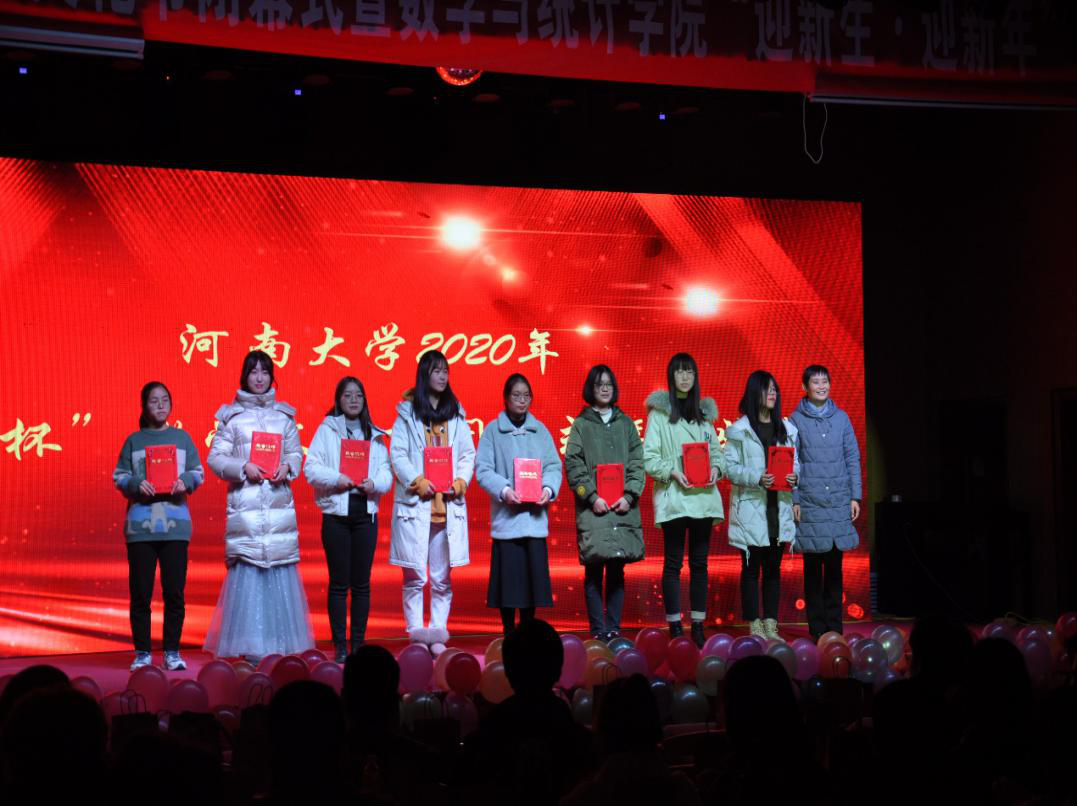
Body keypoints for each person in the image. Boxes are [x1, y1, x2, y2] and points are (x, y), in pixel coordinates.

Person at [203, 350, 314, 662]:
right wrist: (243, 467)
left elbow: (295, 453)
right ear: (245, 376)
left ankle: (280, 647)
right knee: (250, 578)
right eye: (253, 372)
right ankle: (251, 648)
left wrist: (288, 467)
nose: (260, 378)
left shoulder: (284, 417)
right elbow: (215, 458)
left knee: (278, 576)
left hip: (278, 512)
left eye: (265, 371)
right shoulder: (232, 418)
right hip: (247, 514)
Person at [113, 381, 204, 671]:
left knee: (174, 594)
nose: (161, 405)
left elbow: (197, 472)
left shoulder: (182, 438)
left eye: (165, 399)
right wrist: (135, 484)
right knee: (141, 594)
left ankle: (172, 652)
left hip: (176, 526)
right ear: (144, 406)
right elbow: (119, 476)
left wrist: (185, 481)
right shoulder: (134, 441)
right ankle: (142, 653)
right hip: (141, 528)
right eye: (154, 401)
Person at [389, 350, 475, 656]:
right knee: (414, 577)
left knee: (441, 579)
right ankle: (415, 633)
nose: (442, 376)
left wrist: (460, 481)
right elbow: (397, 454)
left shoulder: (456, 415)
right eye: (436, 371)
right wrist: (418, 481)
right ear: (424, 375)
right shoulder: (406, 415)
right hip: (416, 506)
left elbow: (467, 454)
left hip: (445, 508)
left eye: (445, 371)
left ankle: (438, 633)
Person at [304, 377, 393, 663]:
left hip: (365, 514)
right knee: (339, 584)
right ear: (338, 400)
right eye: (347, 395)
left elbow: (387, 473)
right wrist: (337, 478)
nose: (354, 400)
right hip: (336, 515)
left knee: (362, 584)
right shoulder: (327, 430)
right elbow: (311, 468)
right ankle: (340, 646)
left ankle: (358, 644)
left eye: (358, 395)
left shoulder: (375, 435)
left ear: (364, 400)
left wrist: (374, 484)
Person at [643, 353, 726, 647]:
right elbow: (649, 458)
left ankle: (699, 624)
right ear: (671, 376)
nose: (685, 377)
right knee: (673, 563)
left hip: (703, 498)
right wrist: (673, 472)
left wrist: (716, 469)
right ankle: (675, 625)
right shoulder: (658, 415)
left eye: (689, 371)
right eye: (679, 372)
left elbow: (717, 454)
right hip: (675, 498)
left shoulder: (704, 416)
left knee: (700, 564)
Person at [475, 373, 562, 636]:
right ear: (506, 398)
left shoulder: (540, 431)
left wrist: (548, 489)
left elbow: (553, 466)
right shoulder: (492, 431)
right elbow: (483, 469)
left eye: (526, 396)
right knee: (509, 587)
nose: (522, 400)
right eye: (516, 395)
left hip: (534, 522)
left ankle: (526, 634)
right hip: (508, 522)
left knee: (531, 588)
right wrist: (504, 490)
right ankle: (507, 633)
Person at [564, 364, 645, 642]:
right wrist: (591, 496)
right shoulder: (581, 425)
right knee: (594, 571)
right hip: (594, 510)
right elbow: (573, 463)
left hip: (622, 508)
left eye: (609, 384)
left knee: (617, 570)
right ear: (591, 389)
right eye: (599, 385)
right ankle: (598, 631)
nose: (605, 389)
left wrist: (629, 495)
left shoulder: (626, 424)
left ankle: (613, 628)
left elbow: (637, 463)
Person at [788, 365, 862, 641]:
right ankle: (817, 629)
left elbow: (852, 457)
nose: (821, 386)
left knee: (834, 569)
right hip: (810, 502)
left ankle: (835, 627)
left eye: (825, 381)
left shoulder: (841, 418)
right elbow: (792, 463)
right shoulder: (795, 420)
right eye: (815, 382)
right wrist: (795, 499)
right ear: (805, 387)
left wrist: (855, 496)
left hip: (838, 502)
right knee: (812, 571)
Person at [724, 371, 799, 642]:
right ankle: (754, 624)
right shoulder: (739, 430)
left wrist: (795, 476)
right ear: (755, 392)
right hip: (751, 508)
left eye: (775, 389)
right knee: (751, 570)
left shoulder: (786, 429)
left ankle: (771, 624)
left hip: (778, 508)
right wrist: (756, 477)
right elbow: (729, 467)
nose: (773, 393)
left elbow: (796, 462)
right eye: (767, 389)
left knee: (773, 570)